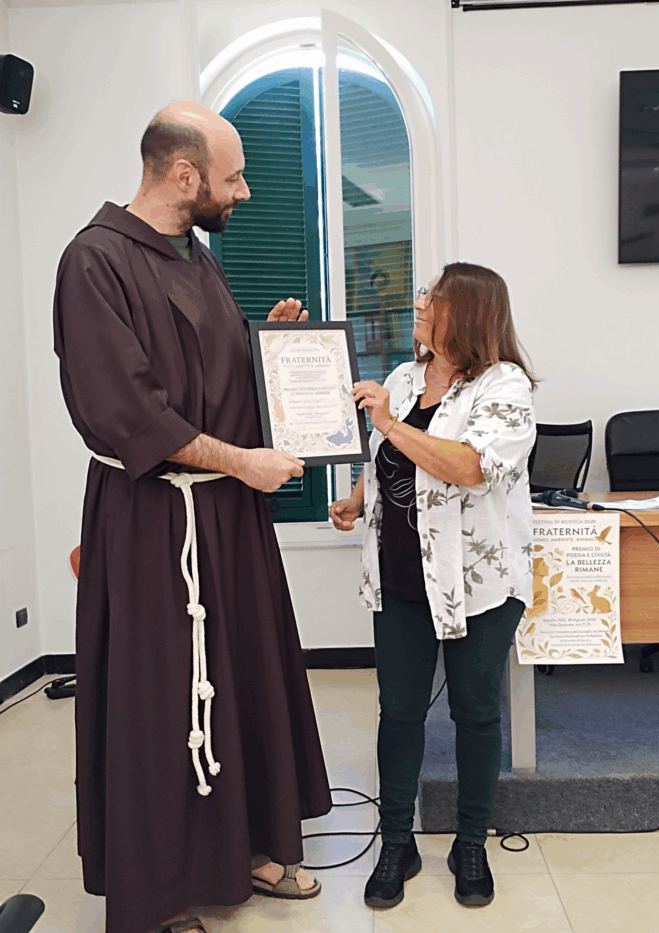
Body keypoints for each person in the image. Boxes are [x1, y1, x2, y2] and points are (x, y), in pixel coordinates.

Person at [52, 100, 332, 933]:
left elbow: (205, 374)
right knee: (160, 700)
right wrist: (244, 462)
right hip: (153, 521)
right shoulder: (94, 262)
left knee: (238, 678)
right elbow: (127, 410)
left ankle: (243, 848)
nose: (242, 192)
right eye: (232, 177)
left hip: (224, 522)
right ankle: (160, 892)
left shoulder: (195, 256)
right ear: (184, 174)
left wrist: (264, 346)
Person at [330, 263, 537, 910]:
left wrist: (392, 425)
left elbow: (471, 467)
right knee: (399, 713)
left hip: (480, 584)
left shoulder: (505, 385)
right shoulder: (402, 378)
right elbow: (384, 459)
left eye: (433, 298)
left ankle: (470, 842)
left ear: (466, 313)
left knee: (475, 713)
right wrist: (359, 497)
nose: (419, 304)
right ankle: (398, 842)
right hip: (399, 580)